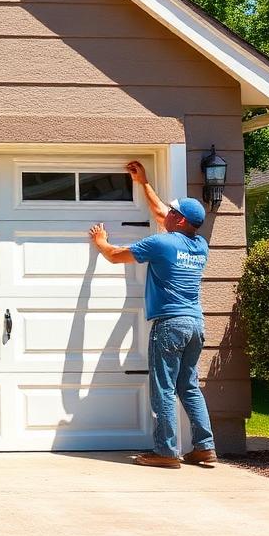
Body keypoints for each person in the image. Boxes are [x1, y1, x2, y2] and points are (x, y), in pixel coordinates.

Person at [88, 160, 217, 469]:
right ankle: (204, 447)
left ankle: (166, 452)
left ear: (182, 220)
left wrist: (101, 242)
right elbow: (162, 213)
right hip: (195, 324)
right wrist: (143, 182)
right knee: (188, 385)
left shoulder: (161, 243)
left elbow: (117, 257)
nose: (167, 213)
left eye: (175, 212)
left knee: (164, 387)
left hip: (170, 324)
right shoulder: (199, 244)